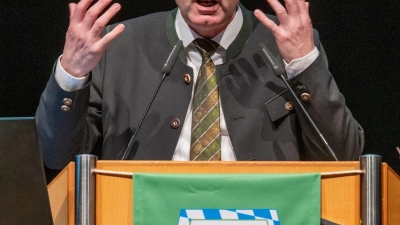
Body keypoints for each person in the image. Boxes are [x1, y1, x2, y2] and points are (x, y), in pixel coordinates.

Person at [36, 0, 364, 170]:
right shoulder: (117, 46)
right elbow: (56, 158)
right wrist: (72, 75)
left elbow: (343, 156)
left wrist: (304, 63)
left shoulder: (288, 42)